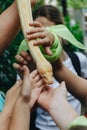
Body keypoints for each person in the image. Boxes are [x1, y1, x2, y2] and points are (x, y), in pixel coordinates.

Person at [16, 5, 87, 130]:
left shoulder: (78, 60)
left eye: (48, 30)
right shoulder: (29, 67)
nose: (40, 35)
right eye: (36, 30)